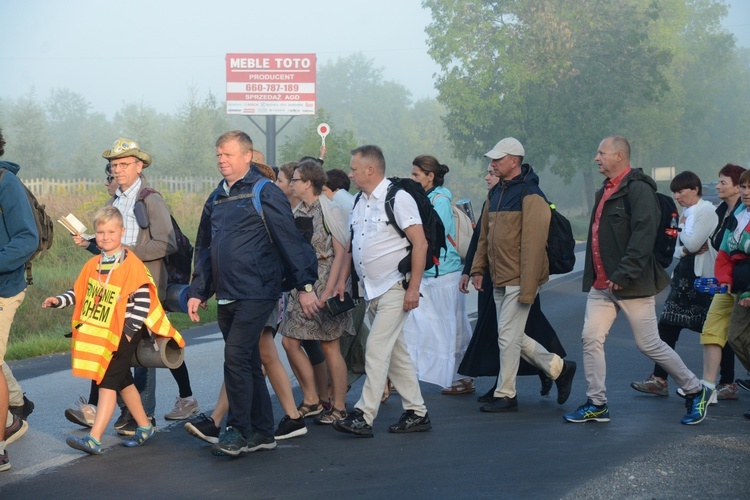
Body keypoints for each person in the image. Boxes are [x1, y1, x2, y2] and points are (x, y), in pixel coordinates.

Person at [187, 130, 318, 456]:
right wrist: (198, 290)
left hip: (259, 291)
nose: (222, 160)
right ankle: (262, 432)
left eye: (228, 154)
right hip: (228, 293)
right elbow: (204, 247)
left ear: (247, 156)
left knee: (235, 357)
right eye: (218, 154)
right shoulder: (217, 196)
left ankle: (237, 430)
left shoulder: (264, 191)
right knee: (247, 360)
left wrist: (305, 286)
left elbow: (289, 240)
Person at [563, 136, 709, 425]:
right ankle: (597, 403)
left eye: (601, 153)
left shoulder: (638, 189)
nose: (597, 158)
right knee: (591, 338)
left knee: (649, 344)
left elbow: (644, 233)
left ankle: (695, 390)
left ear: (619, 156)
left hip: (630, 282)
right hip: (602, 285)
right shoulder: (603, 190)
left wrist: (625, 271)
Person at [66, 138, 199, 434]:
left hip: (143, 285)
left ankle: (143, 415)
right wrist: (91, 244)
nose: (117, 170)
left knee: (144, 350)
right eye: (114, 165)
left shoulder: (150, 199)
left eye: (124, 164)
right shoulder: (116, 201)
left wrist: (126, 251)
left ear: (140, 166)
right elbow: (112, 248)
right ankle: (125, 410)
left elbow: (166, 242)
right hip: (114, 287)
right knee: (116, 345)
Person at [43, 206, 184, 454]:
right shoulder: (93, 264)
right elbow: (79, 293)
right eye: (100, 232)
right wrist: (58, 300)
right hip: (104, 333)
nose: (105, 236)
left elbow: (142, 300)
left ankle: (94, 438)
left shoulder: (132, 264)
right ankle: (144, 425)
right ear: (94, 235)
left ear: (122, 231)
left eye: (111, 231)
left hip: (125, 332)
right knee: (123, 381)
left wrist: (128, 332)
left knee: (106, 381)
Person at [469, 137, 576, 413]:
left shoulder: (531, 194)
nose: (493, 164)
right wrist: (478, 268)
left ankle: (506, 394)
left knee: (507, 336)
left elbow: (533, 246)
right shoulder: (497, 193)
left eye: (498, 159)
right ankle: (560, 369)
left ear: (514, 161)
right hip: (499, 276)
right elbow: (485, 236)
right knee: (512, 336)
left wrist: (528, 288)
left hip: (519, 278)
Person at [332, 145, 432, 437]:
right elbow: (354, 247)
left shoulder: (397, 198)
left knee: (375, 349)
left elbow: (421, 243)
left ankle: (364, 415)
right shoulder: (359, 202)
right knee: (396, 354)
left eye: (353, 169)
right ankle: (417, 412)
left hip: (395, 287)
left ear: (370, 170)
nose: (350, 174)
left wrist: (414, 288)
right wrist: (343, 282)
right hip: (372, 290)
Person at [631, 168, 742, 399]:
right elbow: (682, 247)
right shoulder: (688, 213)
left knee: (715, 330)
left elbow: (690, 244)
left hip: (705, 279)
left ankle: (727, 381)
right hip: (683, 280)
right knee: (667, 325)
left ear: (695, 189)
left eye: (681, 191)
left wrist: (682, 240)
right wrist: (683, 244)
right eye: (675, 192)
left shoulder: (707, 212)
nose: (677, 196)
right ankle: (659, 379)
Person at [281, 160, 354, 425]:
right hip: (302, 284)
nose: (292, 184)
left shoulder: (331, 209)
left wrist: (333, 288)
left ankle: (339, 406)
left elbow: (342, 252)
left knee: (330, 345)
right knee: (289, 341)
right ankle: (312, 399)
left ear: (308, 183)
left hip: (325, 281)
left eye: (296, 179)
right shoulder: (298, 209)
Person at [403, 155, 473, 393]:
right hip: (431, 273)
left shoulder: (440, 200)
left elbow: (432, 236)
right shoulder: (426, 198)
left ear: (430, 176)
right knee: (422, 326)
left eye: (416, 175)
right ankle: (408, 373)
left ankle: (459, 378)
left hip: (442, 273)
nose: (413, 178)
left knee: (446, 328)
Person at [0, 127, 38, 472]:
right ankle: (15, 407)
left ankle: (0, 445)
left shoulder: (5, 183)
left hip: (3, 288)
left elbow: (27, 238)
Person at [707, 167, 750, 419]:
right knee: (735, 338)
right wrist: (725, 280)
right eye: (744, 187)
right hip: (739, 288)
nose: (746, 192)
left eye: (749, 187)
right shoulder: (739, 214)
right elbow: (724, 253)